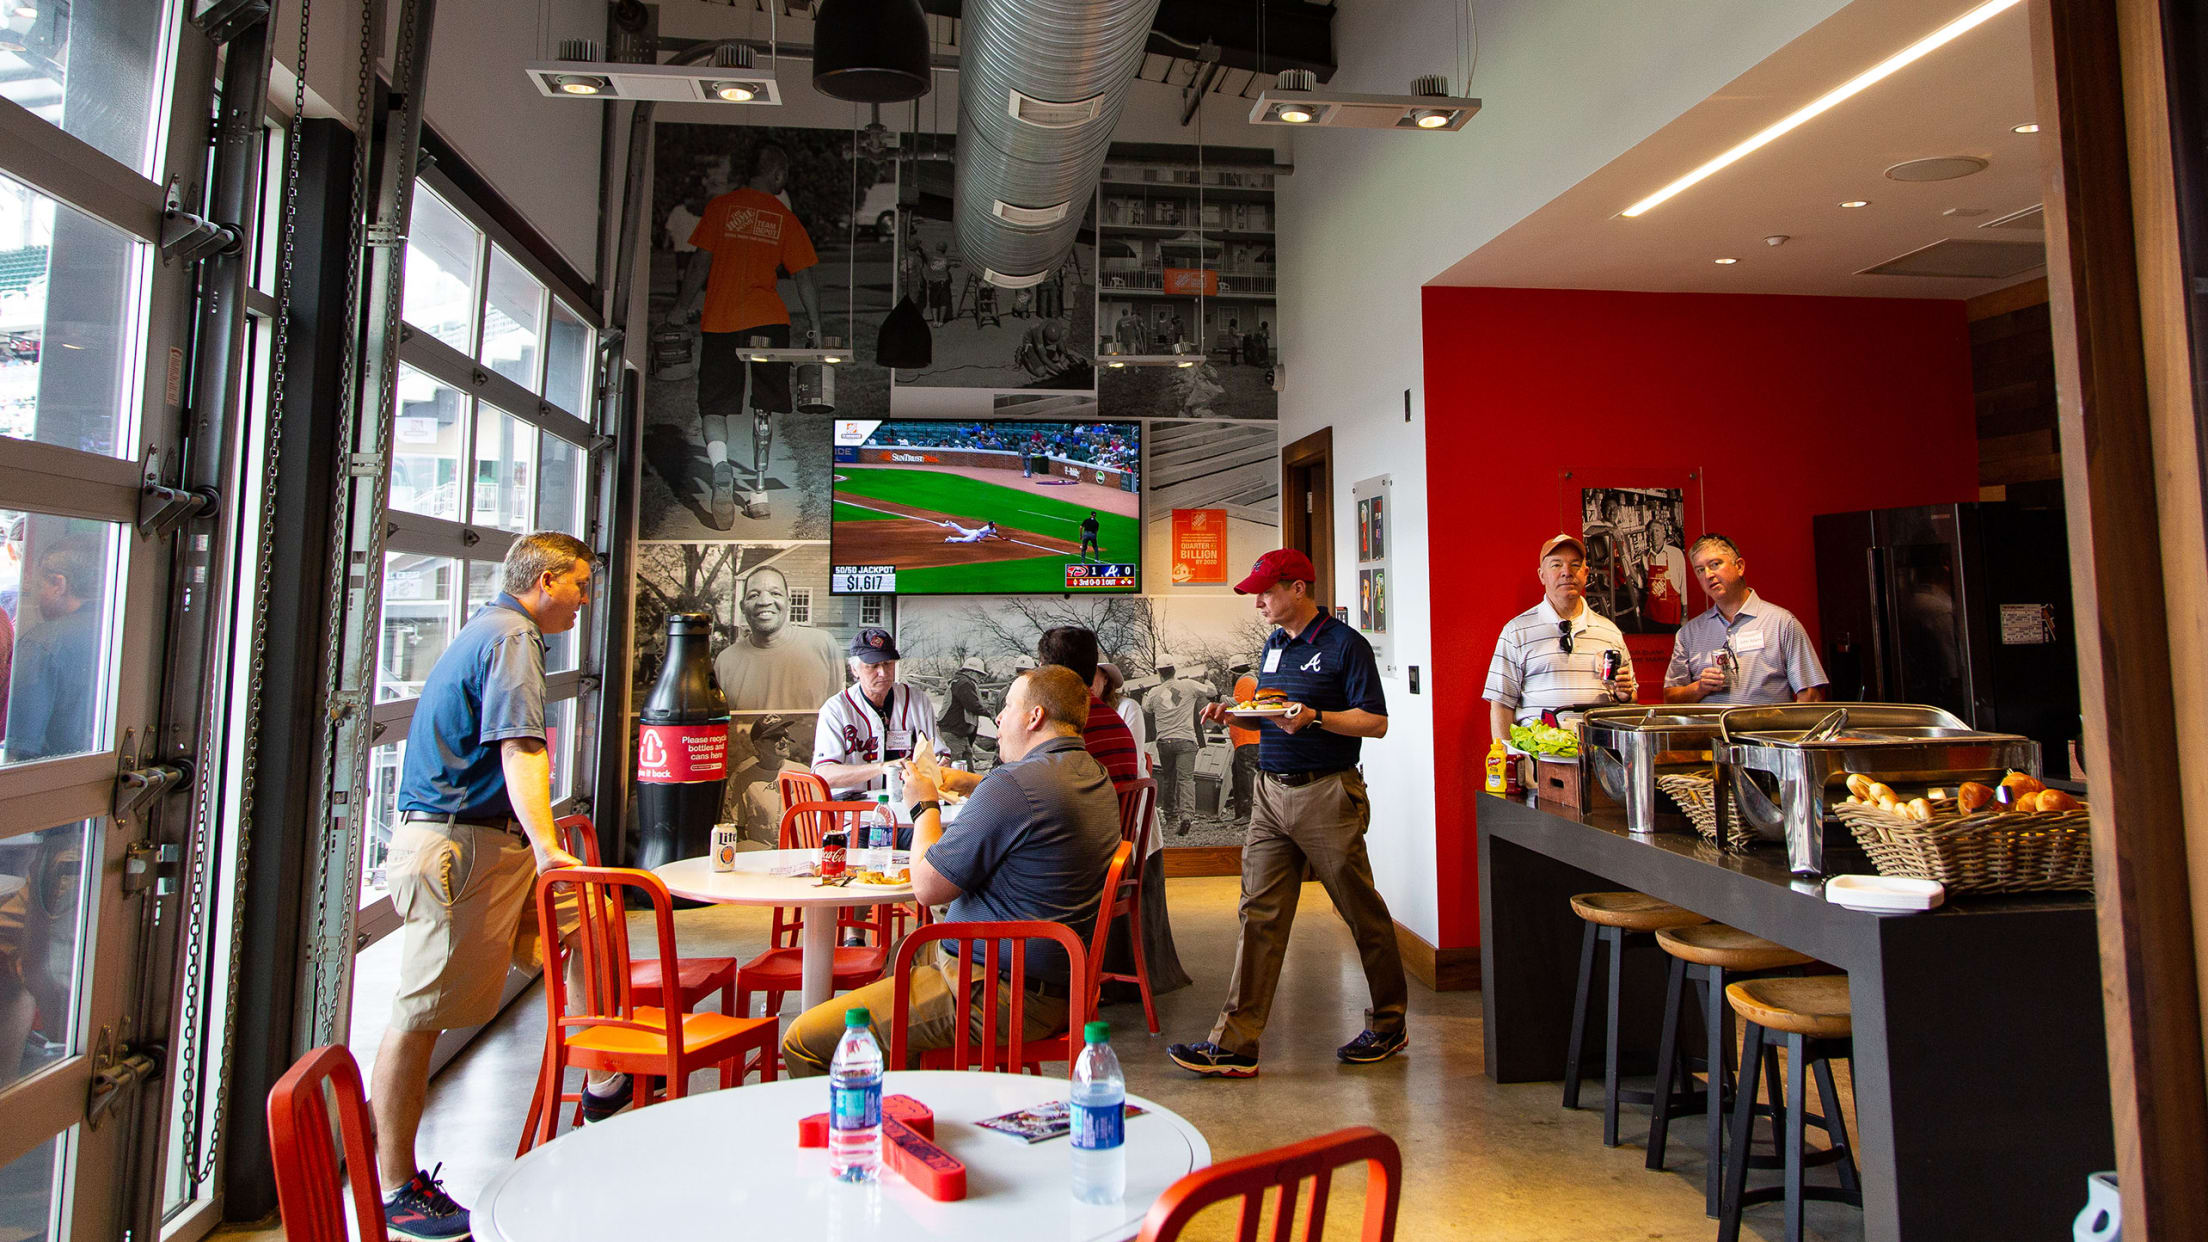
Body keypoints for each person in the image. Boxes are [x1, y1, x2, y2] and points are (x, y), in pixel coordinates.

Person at [372, 532, 597, 1240]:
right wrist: (548, 846)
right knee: (419, 1015)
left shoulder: (493, 628)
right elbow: (520, 745)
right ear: (547, 580)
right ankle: (394, 1188)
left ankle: (604, 1079)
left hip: (475, 841)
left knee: (583, 930)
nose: (584, 601)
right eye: (580, 586)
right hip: (461, 844)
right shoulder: (513, 638)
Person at [779, 666, 1120, 1075]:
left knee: (804, 1040)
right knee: (897, 957)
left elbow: (926, 886)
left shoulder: (1014, 785)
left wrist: (924, 804)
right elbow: (1033, 801)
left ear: (1034, 718)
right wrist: (977, 783)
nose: (998, 718)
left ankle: (869, 1126)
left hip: (997, 992)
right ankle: (905, 1093)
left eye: (1008, 706)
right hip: (1059, 983)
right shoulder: (1092, 776)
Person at [1167, 548, 1406, 1078]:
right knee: (1259, 914)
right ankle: (1234, 1044)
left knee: (1360, 913)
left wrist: (1315, 717)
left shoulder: (1347, 645)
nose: (1258, 603)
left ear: (1298, 588)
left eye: (1266, 592)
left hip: (1327, 793)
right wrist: (1235, 713)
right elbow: (1274, 712)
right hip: (1269, 795)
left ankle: (1390, 1023)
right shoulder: (1274, 645)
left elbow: (1375, 722)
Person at [662, 142, 824, 523]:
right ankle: (760, 491)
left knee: (714, 404)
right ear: (778, 175)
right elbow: (804, 276)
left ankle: (721, 467)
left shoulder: (720, 208)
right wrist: (816, 325)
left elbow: (700, 263)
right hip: (769, 321)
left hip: (721, 320)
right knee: (763, 403)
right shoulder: (782, 216)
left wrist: (680, 307)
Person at [1484, 534, 1639, 742]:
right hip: (1538, 762)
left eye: (1575, 565)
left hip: (1598, 758)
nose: (1567, 572)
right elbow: (1501, 704)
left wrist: (1626, 695)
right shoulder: (1516, 632)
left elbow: (1631, 698)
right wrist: (1508, 761)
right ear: (1541, 575)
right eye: (1556, 565)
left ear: (1586, 573)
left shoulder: (1609, 632)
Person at [1664, 533, 1829, 705]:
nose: (1708, 575)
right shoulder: (1688, 634)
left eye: (1715, 564)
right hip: (1711, 732)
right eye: (1700, 570)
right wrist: (1700, 688)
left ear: (1740, 566)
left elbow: (1810, 696)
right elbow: (1670, 699)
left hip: (1765, 731)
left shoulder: (1782, 623)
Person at [812, 627, 948, 799]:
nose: (883, 673)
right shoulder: (836, 709)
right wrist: (882, 767)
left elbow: (939, 753)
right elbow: (824, 774)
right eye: (873, 666)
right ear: (855, 670)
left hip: (909, 807)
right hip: (853, 814)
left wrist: (940, 761)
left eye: (887, 664)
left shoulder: (917, 701)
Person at [4, 541, 102, 760]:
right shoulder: (119, 631)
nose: (37, 597)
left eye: (39, 586)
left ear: (59, 584)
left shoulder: (42, 643)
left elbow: (20, 750)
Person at [711, 565, 843, 711]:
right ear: (743, 607)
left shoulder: (823, 645)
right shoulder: (725, 662)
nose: (764, 601)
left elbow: (841, 715)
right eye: (754, 595)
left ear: (789, 602)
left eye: (775, 593)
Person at [1036, 625, 1137, 783]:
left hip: (1082, 807)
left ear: (1047, 671)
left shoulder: (1061, 725)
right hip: (1113, 807)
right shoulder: (1118, 725)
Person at [1148, 662, 1207, 836]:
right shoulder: (1188, 685)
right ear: (1175, 670)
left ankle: (1170, 816)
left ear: (1159, 673)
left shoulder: (1153, 692)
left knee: (1168, 779)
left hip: (1164, 741)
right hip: (1186, 740)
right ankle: (1186, 816)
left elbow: (1147, 708)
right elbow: (1210, 692)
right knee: (1186, 779)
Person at [728, 714, 806, 841]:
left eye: (785, 735)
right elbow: (738, 829)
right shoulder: (744, 779)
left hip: (800, 855)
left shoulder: (804, 773)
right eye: (775, 737)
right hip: (763, 856)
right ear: (758, 745)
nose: (784, 741)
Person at [938, 656, 989, 766]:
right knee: (954, 767)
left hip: (959, 733)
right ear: (972, 672)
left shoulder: (960, 682)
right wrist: (989, 713)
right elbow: (973, 705)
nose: (980, 679)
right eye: (979, 675)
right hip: (954, 732)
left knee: (966, 767)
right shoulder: (964, 683)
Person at [1641, 513, 1689, 630]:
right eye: (1651, 531)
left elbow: (1684, 583)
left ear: (1664, 534)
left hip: (1671, 611)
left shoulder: (1675, 553)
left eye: (1657, 531)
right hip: (1652, 612)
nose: (1654, 534)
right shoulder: (1645, 556)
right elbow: (1643, 582)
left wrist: (1685, 611)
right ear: (1647, 536)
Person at [1227, 669, 1261, 821]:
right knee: (1239, 775)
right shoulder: (1249, 681)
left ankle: (1249, 813)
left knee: (1246, 776)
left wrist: (1220, 698)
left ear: (1234, 672)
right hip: (1244, 739)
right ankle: (1240, 812)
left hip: (1247, 738)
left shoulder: (1246, 681)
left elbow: (1240, 703)